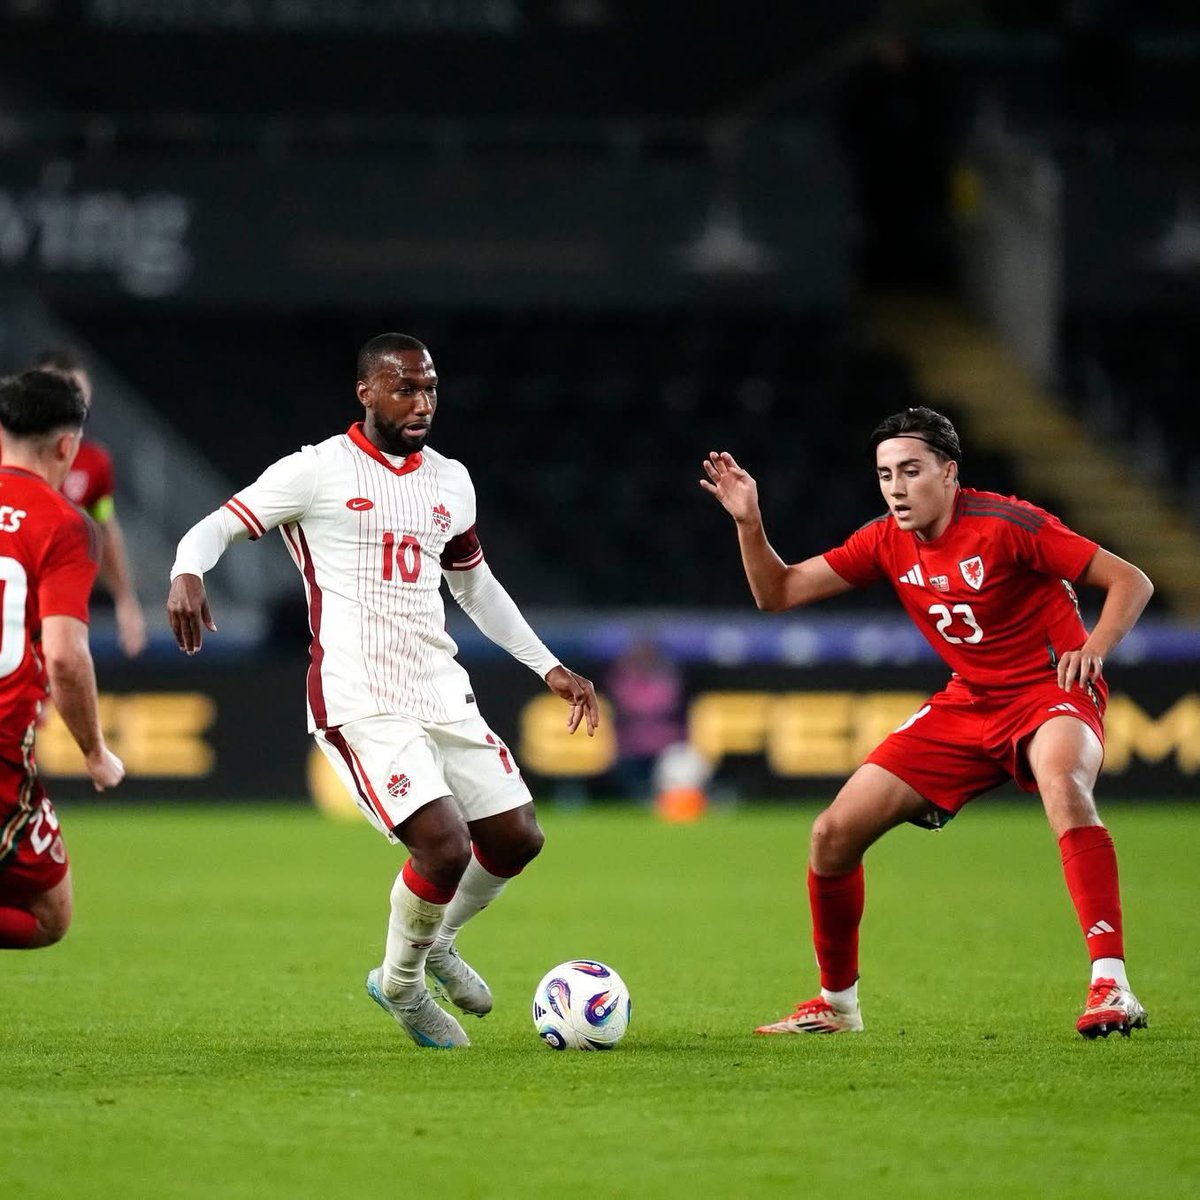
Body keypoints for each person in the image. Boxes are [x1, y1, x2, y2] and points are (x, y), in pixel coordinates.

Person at [167, 333, 599, 1049]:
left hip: (438, 682)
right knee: (442, 845)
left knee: (517, 837)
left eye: (430, 388)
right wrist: (187, 570)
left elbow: (474, 586)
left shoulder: (450, 481)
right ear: (366, 391)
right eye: (406, 388)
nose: (422, 402)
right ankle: (400, 986)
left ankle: (433, 945)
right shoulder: (315, 471)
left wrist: (545, 664)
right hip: (358, 691)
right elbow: (217, 526)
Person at [701, 406, 1153, 1039]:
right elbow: (778, 593)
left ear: (949, 472)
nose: (896, 487)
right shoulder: (884, 538)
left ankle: (1111, 983)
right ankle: (837, 1005)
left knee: (1064, 784)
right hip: (969, 703)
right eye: (886, 474)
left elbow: (1130, 580)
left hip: (1052, 690)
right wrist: (750, 522)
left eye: (911, 471)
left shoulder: (1009, 523)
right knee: (832, 834)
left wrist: (1095, 647)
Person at [0, 370, 126, 950]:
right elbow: (65, 657)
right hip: (3, 747)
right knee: (49, 916)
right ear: (67, 446)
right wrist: (95, 753)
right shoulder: (63, 524)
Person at [32, 348, 147, 657]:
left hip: (60, 606)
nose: (69, 403)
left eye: (78, 393)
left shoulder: (94, 464)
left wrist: (126, 600)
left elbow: (105, 526)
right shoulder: (10, 452)